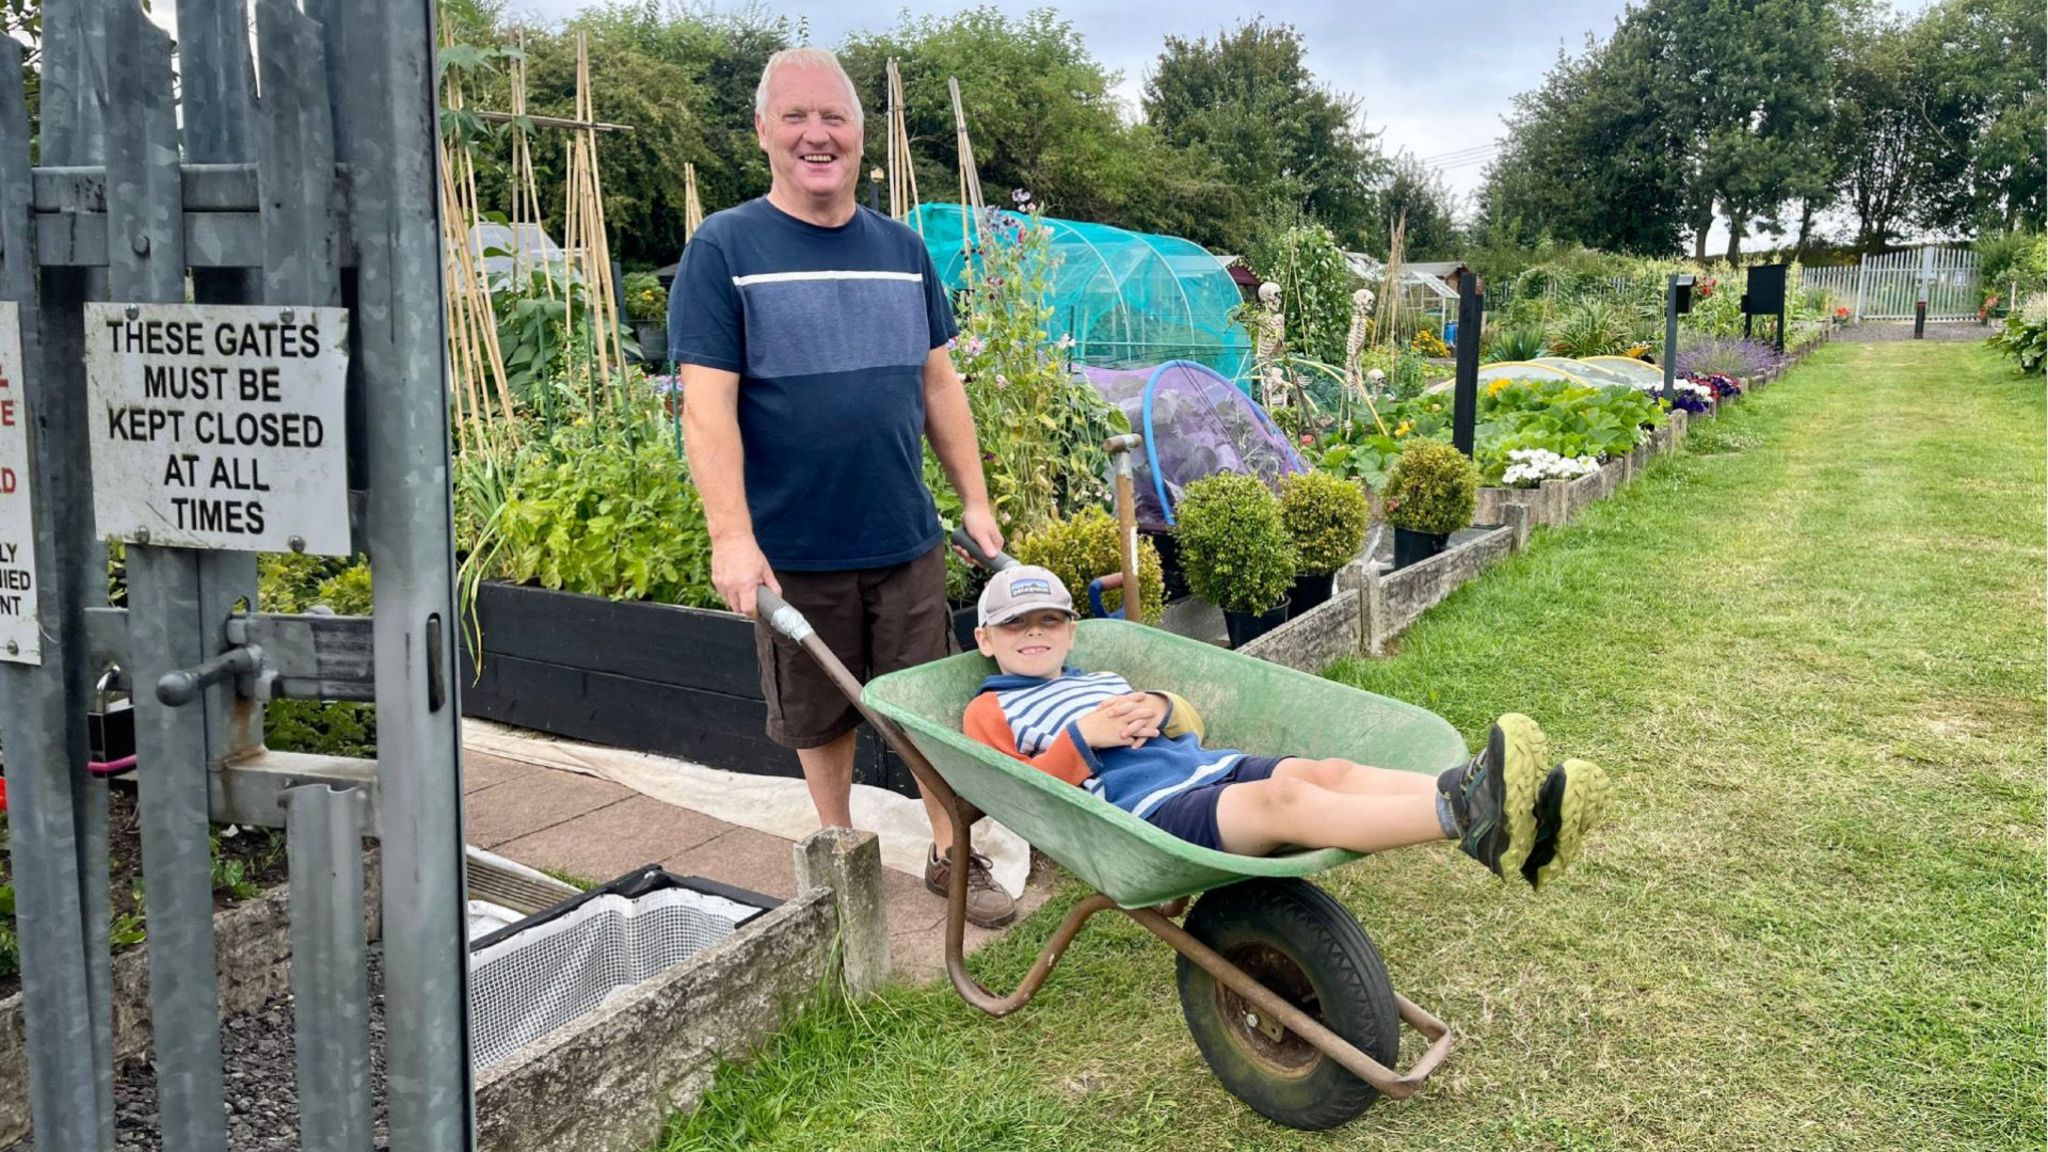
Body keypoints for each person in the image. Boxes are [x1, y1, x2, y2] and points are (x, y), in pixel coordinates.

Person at [670, 48, 1016, 927]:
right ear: (763, 131)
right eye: (795, 117)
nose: (816, 135)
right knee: (819, 716)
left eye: (834, 117)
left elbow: (939, 384)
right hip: (794, 547)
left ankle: (952, 851)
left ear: (861, 135)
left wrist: (974, 500)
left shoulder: (901, 250)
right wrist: (731, 537)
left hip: (904, 535)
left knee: (930, 708)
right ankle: (841, 855)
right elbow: (706, 408)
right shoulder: (725, 249)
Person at [960, 566, 1610, 885]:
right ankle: (1468, 819)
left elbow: (1191, 724)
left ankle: (1510, 808)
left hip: (1207, 767)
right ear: (985, 639)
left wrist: (1159, 705)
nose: (1034, 634)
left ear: (1071, 631)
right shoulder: (992, 707)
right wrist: (1082, 741)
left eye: (1048, 621)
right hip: (1149, 813)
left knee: (1328, 771)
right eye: (1016, 626)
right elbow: (1019, 794)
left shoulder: (1098, 678)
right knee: (1287, 799)